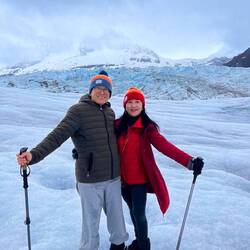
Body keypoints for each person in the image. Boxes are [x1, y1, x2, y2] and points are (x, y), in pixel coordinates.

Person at [16, 70, 129, 250]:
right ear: (91, 90)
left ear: (110, 93)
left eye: (106, 89)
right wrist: (33, 155)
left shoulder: (110, 112)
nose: (102, 92)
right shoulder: (78, 111)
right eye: (98, 88)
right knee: (90, 224)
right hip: (90, 180)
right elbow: (57, 136)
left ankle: (118, 245)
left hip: (113, 178)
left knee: (117, 219)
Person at [115, 87, 204, 250]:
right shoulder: (117, 125)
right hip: (122, 181)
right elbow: (102, 142)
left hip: (139, 180)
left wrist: (189, 161)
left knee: (139, 214)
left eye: (137, 102)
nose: (133, 105)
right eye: (130, 102)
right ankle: (138, 241)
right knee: (132, 212)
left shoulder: (147, 128)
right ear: (124, 105)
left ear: (143, 105)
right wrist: (82, 151)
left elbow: (165, 146)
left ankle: (143, 245)